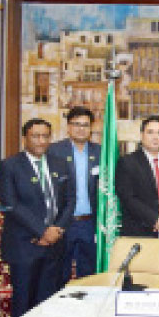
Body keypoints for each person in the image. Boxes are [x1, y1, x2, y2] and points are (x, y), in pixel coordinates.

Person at [0, 118, 74, 317]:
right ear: (25, 138)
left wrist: (57, 230)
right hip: (25, 246)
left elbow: (70, 200)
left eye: (45, 136)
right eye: (35, 136)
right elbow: (11, 204)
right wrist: (42, 232)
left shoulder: (59, 163)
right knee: (24, 303)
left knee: (48, 303)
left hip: (54, 246)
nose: (41, 141)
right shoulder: (8, 166)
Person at [115, 116, 159, 285]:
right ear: (142, 135)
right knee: (143, 284)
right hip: (141, 231)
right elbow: (128, 198)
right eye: (150, 132)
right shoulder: (127, 162)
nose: (155, 137)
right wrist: (155, 219)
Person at [47, 106, 101, 282]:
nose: (81, 128)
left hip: (89, 223)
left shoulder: (100, 152)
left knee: (89, 276)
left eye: (85, 125)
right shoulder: (53, 151)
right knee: (59, 274)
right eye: (76, 124)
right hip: (63, 223)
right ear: (68, 127)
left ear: (91, 128)